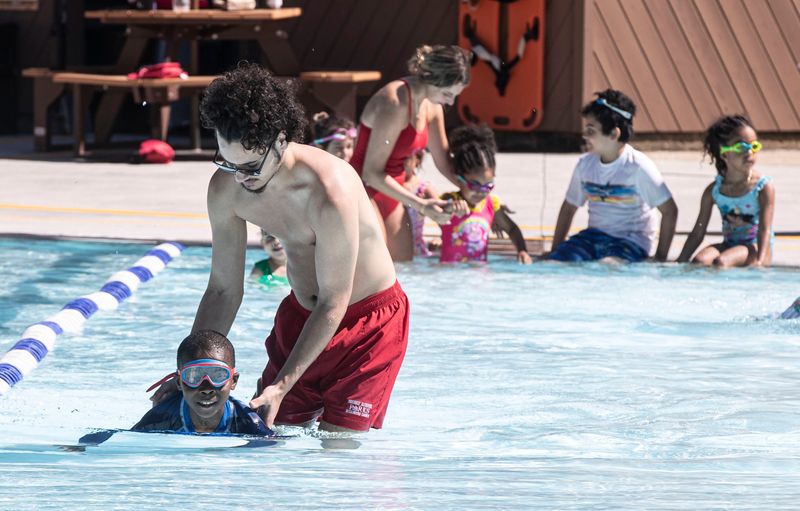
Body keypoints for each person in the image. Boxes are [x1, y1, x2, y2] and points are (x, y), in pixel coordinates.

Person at [152, 63, 408, 436]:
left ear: (281, 139)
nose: (241, 177)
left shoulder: (328, 191)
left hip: (368, 325)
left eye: (251, 165)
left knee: (339, 445)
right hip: (302, 318)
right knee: (269, 438)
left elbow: (335, 300)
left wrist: (282, 384)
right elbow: (224, 289)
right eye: (228, 162)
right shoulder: (226, 189)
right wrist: (192, 371)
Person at [350, 44, 472, 261]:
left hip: (391, 188)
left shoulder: (432, 105)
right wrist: (422, 206)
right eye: (447, 94)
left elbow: (443, 161)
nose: (450, 102)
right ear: (431, 79)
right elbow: (371, 173)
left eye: (455, 96)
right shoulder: (395, 102)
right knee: (374, 266)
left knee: (404, 266)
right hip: (361, 187)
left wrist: (472, 190)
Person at [547, 89, 678, 263]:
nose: (585, 136)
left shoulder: (638, 167)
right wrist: (555, 250)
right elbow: (569, 207)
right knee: (554, 265)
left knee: (607, 267)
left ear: (614, 134)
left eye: (591, 131)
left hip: (630, 241)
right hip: (592, 237)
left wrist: (660, 258)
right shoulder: (585, 165)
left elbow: (669, 210)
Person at [677, 115, 775, 267]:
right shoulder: (714, 191)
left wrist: (760, 261)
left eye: (754, 146)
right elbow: (698, 232)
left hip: (756, 247)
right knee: (699, 262)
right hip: (730, 244)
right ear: (724, 154)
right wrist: (680, 262)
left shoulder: (762, 187)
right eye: (742, 147)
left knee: (721, 262)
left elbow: (765, 229)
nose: (750, 152)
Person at [133, 329, 272, 435]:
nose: (206, 388)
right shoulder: (162, 416)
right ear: (178, 382)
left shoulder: (246, 421)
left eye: (218, 376)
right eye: (194, 376)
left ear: (233, 381)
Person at [439, 124, 532, 264]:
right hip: (449, 274)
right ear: (459, 178)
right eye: (474, 184)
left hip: (479, 276)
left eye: (488, 185)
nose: (481, 191)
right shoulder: (450, 200)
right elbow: (436, 212)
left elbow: (512, 228)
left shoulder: (490, 205)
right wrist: (448, 209)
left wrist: (522, 250)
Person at [403, 149, 439, 257]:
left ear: (417, 159)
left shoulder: (424, 189)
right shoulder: (384, 185)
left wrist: (440, 239)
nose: (401, 161)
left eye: (406, 157)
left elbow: (445, 220)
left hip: (416, 254)